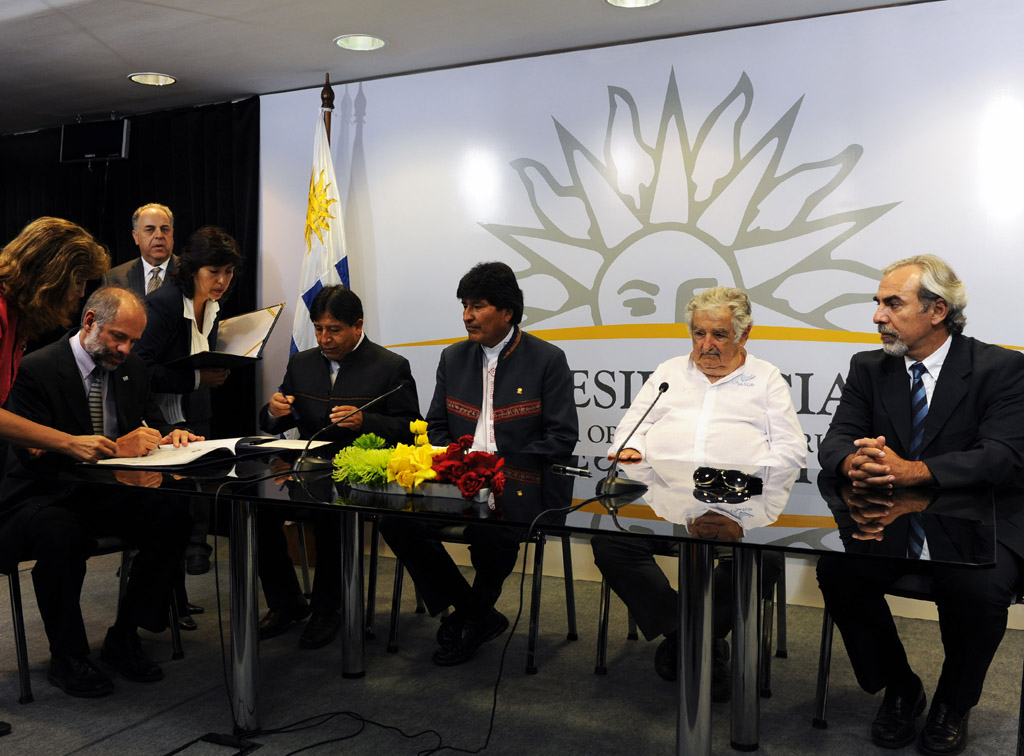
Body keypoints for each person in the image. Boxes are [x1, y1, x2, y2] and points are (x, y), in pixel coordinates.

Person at [816, 254, 1024, 756]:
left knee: (977, 586)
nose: (878, 316)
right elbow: (837, 439)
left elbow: (1003, 458)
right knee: (838, 572)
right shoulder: (868, 367)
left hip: (984, 518)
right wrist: (853, 464)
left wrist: (916, 471)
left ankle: (954, 703)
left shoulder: (1002, 367)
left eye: (892, 303)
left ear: (937, 310)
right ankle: (901, 688)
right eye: (878, 303)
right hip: (894, 515)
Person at [590, 286, 806, 698]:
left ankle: (686, 640)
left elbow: (791, 450)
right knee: (608, 543)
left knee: (766, 560)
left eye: (719, 335)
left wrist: (743, 499)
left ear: (744, 335)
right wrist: (631, 451)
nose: (705, 345)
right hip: (665, 498)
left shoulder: (765, 379)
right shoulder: (670, 372)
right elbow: (625, 436)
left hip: (739, 503)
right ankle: (692, 637)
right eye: (698, 333)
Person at [0, 287, 199, 698]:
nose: (126, 349)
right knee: (61, 535)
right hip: (40, 493)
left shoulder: (132, 369)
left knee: (173, 513)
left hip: (101, 492)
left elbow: (148, 424)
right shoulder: (35, 367)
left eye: (134, 341)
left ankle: (125, 635)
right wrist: (111, 451)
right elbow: (35, 457)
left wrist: (170, 436)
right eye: (118, 338)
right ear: (89, 322)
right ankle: (67, 656)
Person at [381, 261, 579, 666]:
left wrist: (498, 468)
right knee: (396, 520)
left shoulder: (547, 359)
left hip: (520, 482)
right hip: (458, 482)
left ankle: (471, 618)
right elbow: (436, 426)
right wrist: (459, 463)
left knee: (493, 533)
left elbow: (561, 438)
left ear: (507, 311)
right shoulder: (453, 358)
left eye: (478, 305)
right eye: (465, 306)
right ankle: (476, 611)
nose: (468, 315)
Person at [257, 284, 420, 648]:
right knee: (253, 509)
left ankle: (328, 609)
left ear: (358, 326)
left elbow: (412, 430)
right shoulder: (302, 363)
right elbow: (275, 422)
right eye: (318, 329)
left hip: (364, 476)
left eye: (334, 330)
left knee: (330, 509)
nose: (324, 338)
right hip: (308, 470)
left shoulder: (391, 366)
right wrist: (273, 411)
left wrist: (367, 422)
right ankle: (286, 603)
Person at [134, 225, 241, 576]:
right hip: (158, 420)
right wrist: (198, 378)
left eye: (228, 272)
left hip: (195, 412)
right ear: (192, 269)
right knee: (170, 512)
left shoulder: (212, 305)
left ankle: (191, 562)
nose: (222, 280)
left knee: (198, 497)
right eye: (214, 272)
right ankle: (168, 597)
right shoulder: (162, 304)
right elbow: (140, 370)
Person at [0, 217, 117, 462]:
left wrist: (35, 436)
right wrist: (68, 443)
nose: (82, 292)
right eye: (78, 280)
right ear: (52, 274)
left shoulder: (18, 318)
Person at [103, 203, 178, 296]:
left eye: (165, 229)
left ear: (172, 233)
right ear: (136, 236)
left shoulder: (190, 273)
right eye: (150, 229)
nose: (159, 235)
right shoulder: (114, 278)